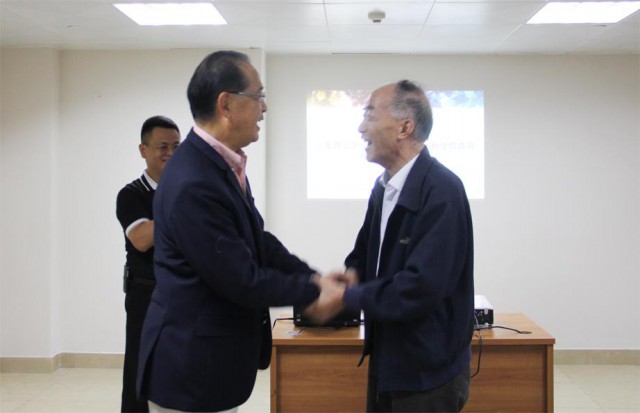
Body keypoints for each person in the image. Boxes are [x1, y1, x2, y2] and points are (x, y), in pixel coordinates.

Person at [137, 50, 340, 413]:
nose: (264, 108)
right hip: (189, 370)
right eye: (258, 96)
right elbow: (240, 279)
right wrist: (315, 292)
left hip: (208, 365)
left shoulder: (217, 164)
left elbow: (257, 239)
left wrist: (314, 278)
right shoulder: (194, 180)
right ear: (226, 104)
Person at [307, 80, 475, 412]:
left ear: (404, 127)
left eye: (369, 115)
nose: (361, 128)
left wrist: (345, 297)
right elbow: (364, 256)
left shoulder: (443, 190)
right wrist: (349, 277)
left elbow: (421, 286)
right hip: (389, 359)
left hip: (427, 371)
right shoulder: (382, 188)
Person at [116, 115, 181, 412]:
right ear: (143, 150)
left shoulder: (186, 189)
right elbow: (141, 238)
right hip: (146, 296)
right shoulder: (131, 194)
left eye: (176, 146)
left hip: (183, 295)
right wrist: (183, 207)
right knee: (140, 374)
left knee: (179, 372)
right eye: (163, 147)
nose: (170, 153)